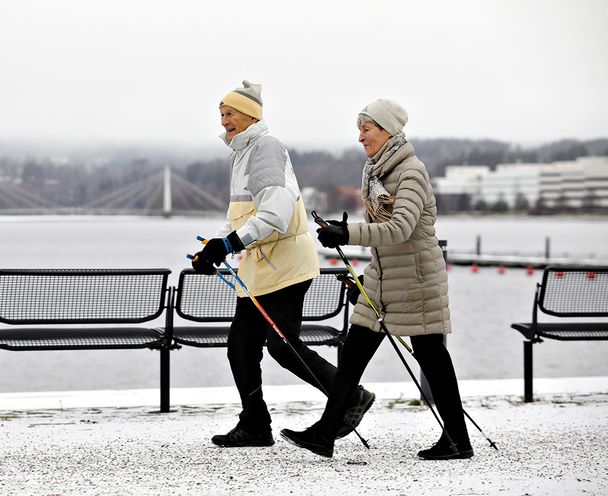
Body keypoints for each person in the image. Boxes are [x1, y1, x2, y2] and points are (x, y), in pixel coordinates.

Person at [280, 99, 473, 460]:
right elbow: (381, 232)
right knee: (353, 355)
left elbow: (400, 229)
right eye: (360, 129)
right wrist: (345, 241)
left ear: (387, 131)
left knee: (432, 356)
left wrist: (347, 234)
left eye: (366, 129)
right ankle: (325, 435)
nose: (360, 137)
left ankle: (458, 441)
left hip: (416, 280)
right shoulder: (377, 172)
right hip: (382, 279)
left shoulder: (410, 172)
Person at [191, 80, 375, 448]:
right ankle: (256, 425)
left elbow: (274, 213)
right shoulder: (241, 154)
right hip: (261, 267)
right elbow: (241, 214)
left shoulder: (265, 148)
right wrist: (215, 245)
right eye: (221, 114)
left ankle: (351, 396)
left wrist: (229, 243)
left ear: (249, 115)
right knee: (241, 346)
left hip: (286, 265)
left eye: (229, 113)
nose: (223, 120)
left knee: (282, 346)